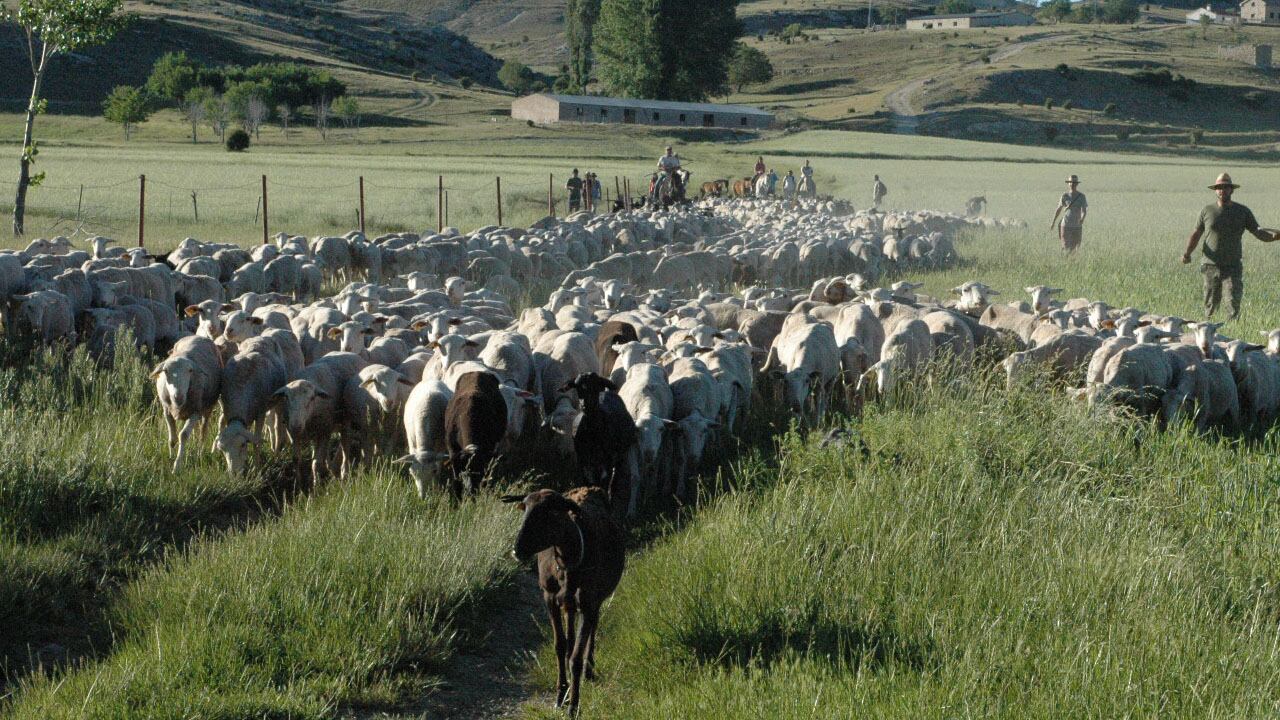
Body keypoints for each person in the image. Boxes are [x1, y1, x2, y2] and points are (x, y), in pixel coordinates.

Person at [1181, 172, 1278, 321]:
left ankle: (1233, 337)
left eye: (1226, 187)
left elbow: (1258, 232)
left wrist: (1274, 237)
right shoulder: (1207, 211)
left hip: (1233, 266)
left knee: (1233, 305)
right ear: (1215, 190)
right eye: (1219, 187)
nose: (1222, 190)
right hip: (1209, 265)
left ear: (1232, 190)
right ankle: (1210, 337)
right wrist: (1187, 254)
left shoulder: (1243, 211)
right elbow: (1196, 234)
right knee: (1210, 306)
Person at [1051, 175, 1088, 253]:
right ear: (1068, 184)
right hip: (1065, 225)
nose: (1072, 184)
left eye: (1074, 182)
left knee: (1075, 249)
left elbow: (1084, 210)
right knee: (1065, 247)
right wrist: (1053, 222)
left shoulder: (1082, 196)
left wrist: (1082, 218)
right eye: (1070, 182)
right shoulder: (1064, 196)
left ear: (1077, 184)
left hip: (1077, 226)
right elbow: (1059, 209)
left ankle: (1073, 264)